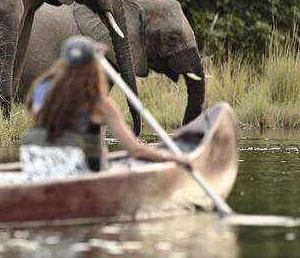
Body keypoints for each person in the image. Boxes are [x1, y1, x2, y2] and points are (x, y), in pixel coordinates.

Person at [21, 35, 189, 178]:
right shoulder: (99, 103)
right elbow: (136, 150)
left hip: (33, 162)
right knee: (96, 147)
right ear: (93, 67)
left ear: (64, 62)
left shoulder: (41, 87)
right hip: (73, 171)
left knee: (94, 144)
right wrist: (175, 159)